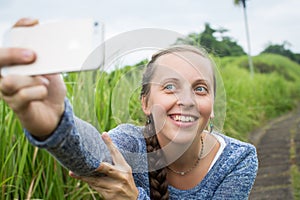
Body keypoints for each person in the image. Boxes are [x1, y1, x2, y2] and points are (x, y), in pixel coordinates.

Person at [0, 18, 258, 200]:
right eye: (169, 86)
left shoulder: (236, 159)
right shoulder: (131, 143)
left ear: (212, 107)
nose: (187, 100)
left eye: (200, 89)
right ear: (145, 103)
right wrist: (55, 120)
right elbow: (91, 150)